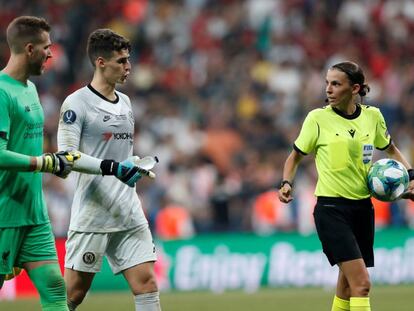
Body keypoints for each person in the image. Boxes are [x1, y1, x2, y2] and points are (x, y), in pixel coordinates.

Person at [278, 61, 414, 311]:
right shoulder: (317, 119)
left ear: (355, 88)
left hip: (363, 208)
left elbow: (391, 150)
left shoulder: (373, 117)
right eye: (327, 83)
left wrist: (411, 176)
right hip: (332, 210)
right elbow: (294, 157)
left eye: (336, 84)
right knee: (362, 284)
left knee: (347, 286)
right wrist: (287, 182)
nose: (328, 89)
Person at [57, 29, 161, 311]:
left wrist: (133, 165)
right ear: (101, 62)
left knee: (147, 285)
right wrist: (114, 168)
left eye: (128, 60)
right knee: (73, 295)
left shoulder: (126, 102)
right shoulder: (77, 103)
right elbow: (66, 157)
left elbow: (119, 154)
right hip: (93, 213)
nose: (128, 67)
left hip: (128, 209)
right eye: (121, 61)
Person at [0, 16, 80, 311]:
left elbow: (30, 145)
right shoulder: (1, 91)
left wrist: (55, 161)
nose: (51, 53)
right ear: (29, 48)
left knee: (55, 289)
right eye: (46, 47)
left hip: (33, 213)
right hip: (4, 213)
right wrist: (44, 163)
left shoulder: (31, 89)